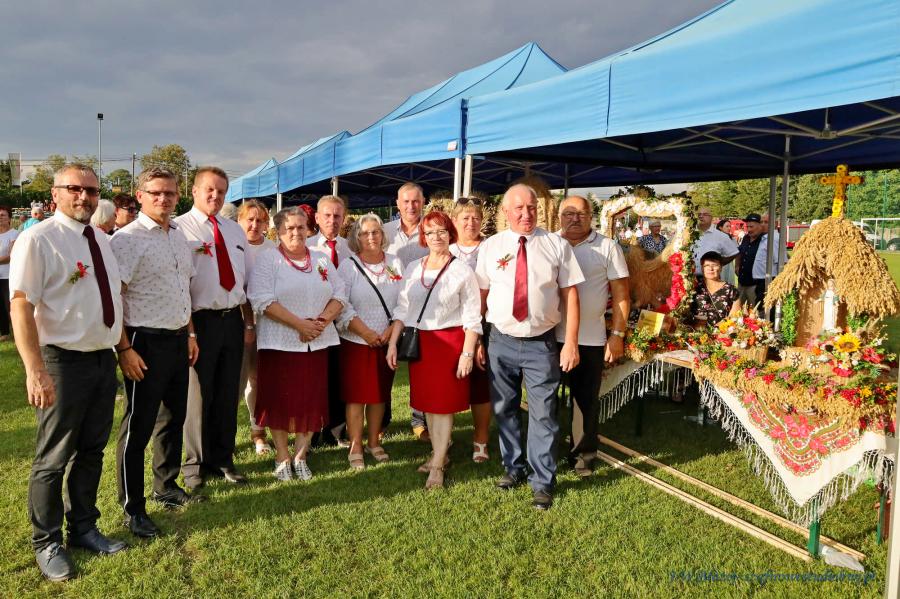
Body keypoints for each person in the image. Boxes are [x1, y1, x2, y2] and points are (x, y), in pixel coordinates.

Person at [9, 163, 126, 581]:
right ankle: (46, 541)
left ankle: (83, 528)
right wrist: (34, 370)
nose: (84, 197)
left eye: (91, 190)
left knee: (91, 451)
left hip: (100, 359)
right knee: (53, 457)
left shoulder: (101, 239)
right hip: (61, 361)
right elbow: (21, 305)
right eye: (74, 189)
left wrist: (121, 349)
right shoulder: (38, 239)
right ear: (55, 193)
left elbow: (110, 298)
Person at [475, 184, 584, 511]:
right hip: (500, 341)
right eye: (519, 208)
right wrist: (477, 339)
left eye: (532, 207)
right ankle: (514, 467)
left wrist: (571, 342)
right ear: (505, 211)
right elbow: (480, 296)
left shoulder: (556, 245)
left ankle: (542, 481)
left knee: (543, 414)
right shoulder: (491, 247)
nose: (526, 214)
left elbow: (571, 295)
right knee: (504, 409)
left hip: (541, 344)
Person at [111, 167, 201, 539]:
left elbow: (183, 290)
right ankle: (133, 507)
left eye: (170, 193)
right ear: (140, 195)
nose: (164, 199)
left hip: (178, 340)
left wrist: (190, 333)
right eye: (155, 193)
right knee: (138, 427)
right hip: (143, 342)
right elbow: (114, 298)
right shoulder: (126, 239)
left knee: (173, 418)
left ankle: (166, 485)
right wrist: (124, 349)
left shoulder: (178, 235)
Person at [248, 207, 346, 481]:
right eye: (289, 228)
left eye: (301, 227)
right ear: (278, 231)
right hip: (279, 344)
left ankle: (301, 454)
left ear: (309, 229)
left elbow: (340, 293)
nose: (296, 232)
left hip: (316, 343)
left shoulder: (321, 258)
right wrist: (299, 325)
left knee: (311, 399)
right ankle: (282, 455)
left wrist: (320, 323)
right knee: (279, 400)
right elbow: (261, 298)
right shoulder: (268, 259)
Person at [387, 211, 482, 489]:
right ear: (423, 237)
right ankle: (439, 453)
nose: (436, 237)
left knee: (443, 407)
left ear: (450, 234)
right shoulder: (413, 268)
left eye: (441, 231)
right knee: (428, 404)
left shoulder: (462, 270)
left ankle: (438, 464)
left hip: (449, 344)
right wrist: (392, 343)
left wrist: (467, 353)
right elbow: (402, 309)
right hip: (422, 345)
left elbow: (472, 317)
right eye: (430, 232)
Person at [176, 166, 254, 490]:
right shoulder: (180, 229)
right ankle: (194, 466)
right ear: (194, 191)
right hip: (200, 321)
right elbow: (180, 287)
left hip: (231, 320)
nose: (215, 196)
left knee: (227, 393)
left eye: (221, 191)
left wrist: (247, 323)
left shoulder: (234, 231)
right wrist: (190, 332)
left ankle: (223, 458)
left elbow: (245, 281)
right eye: (209, 189)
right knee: (197, 397)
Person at [556, 196, 630, 478]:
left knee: (585, 401)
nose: (575, 219)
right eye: (569, 213)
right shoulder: (550, 243)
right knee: (545, 400)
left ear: (591, 216)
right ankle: (545, 454)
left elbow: (621, 294)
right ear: (559, 216)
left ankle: (582, 457)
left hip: (590, 339)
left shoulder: (608, 247)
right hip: (549, 336)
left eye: (582, 214)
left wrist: (617, 334)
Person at [336, 214, 403, 469]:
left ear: (383, 235)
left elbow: (405, 300)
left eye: (375, 232)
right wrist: (364, 332)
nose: (371, 237)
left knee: (379, 395)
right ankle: (355, 445)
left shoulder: (395, 262)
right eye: (365, 233)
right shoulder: (348, 266)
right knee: (356, 396)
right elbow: (341, 304)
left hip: (387, 341)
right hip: (356, 340)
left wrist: (390, 330)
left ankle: (374, 441)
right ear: (357, 237)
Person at [384, 182, 430, 440]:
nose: (411, 206)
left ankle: (420, 420)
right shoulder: (385, 231)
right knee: (385, 367)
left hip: (423, 310)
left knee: (420, 367)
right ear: (397, 204)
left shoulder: (432, 229)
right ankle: (382, 421)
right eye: (406, 201)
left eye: (416, 201)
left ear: (423, 202)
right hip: (389, 309)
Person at [449, 197, 492, 462]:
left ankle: (481, 439)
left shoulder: (491, 248)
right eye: (465, 217)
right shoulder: (446, 249)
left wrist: (478, 338)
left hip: (484, 323)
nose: (471, 222)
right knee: (449, 383)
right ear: (454, 221)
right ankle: (444, 437)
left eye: (476, 217)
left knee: (480, 385)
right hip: (452, 326)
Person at [307, 195, 351, 446]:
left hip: (344, 321)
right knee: (314, 379)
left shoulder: (351, 247)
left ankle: (336, 431)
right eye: (327, 215)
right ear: (316, 217)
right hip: (314, 322)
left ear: (343, 219)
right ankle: (311, 432)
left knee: (338, 377)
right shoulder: (307, 246)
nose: (332, 220)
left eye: (337, 216)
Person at [237, 199, 276, 455]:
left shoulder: (273, 249)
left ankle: (258, 430)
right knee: (235, 382)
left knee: (258, 379)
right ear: (239, 220)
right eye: (249, 219)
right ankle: (223, 438)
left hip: (268, 322)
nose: (254, 225)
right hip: (237, 322)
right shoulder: (233, 245)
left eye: (260, 220)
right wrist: (247, 323)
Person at [690, 251, 741, 326]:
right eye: (706, 265)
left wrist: (719, 327)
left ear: (721, 267)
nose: (711, 269)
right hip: (696, 331)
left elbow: (734, 316)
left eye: (714, 265)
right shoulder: (694, 287)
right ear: (702, 268)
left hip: (722, 331)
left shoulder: (731, 290)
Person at [692, 206, 738, 275]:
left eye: (705, 214)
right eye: (699, 214)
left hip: (711, 278)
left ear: (711, 217)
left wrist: (719, 263)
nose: (701, 216)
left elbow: (733, 253)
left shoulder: (721, 236)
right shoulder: (689, 234)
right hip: (688, 277)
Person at [734, 213, 765, 310]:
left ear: (760, 226)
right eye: (747, 227)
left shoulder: (765, 240)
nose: (749, 229)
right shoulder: (746, 238)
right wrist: (737, 266)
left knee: (755, 312)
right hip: (741, 283)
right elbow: (739, 252)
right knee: (738, 311)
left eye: (751, 227)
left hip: (755, 285)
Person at [753, 213, 782, 305]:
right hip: (763, 281)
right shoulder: (765, 238)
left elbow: (781, 262)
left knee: (764, 308)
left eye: (766, 222)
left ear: (775, 224)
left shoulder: (773, 239)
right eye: (761, 222)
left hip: (768, 281)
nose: (762, 224)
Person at [0, 205, 18, 341]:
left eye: (3, 215)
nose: (0, 218)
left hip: (8, 275)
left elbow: (11, 256)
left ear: (9, 218)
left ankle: (18, 332)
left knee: (9, 305)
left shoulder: (14, 234)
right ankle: (4, 332)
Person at [715, 219, 736, 284]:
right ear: (720, 227)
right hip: (719, 264)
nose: (729, 228)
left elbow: (736, 251)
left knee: (729, 283)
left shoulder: (732, 239)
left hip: (729, 264)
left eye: (730, 226)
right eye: (727, 226)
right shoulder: (715, 239)